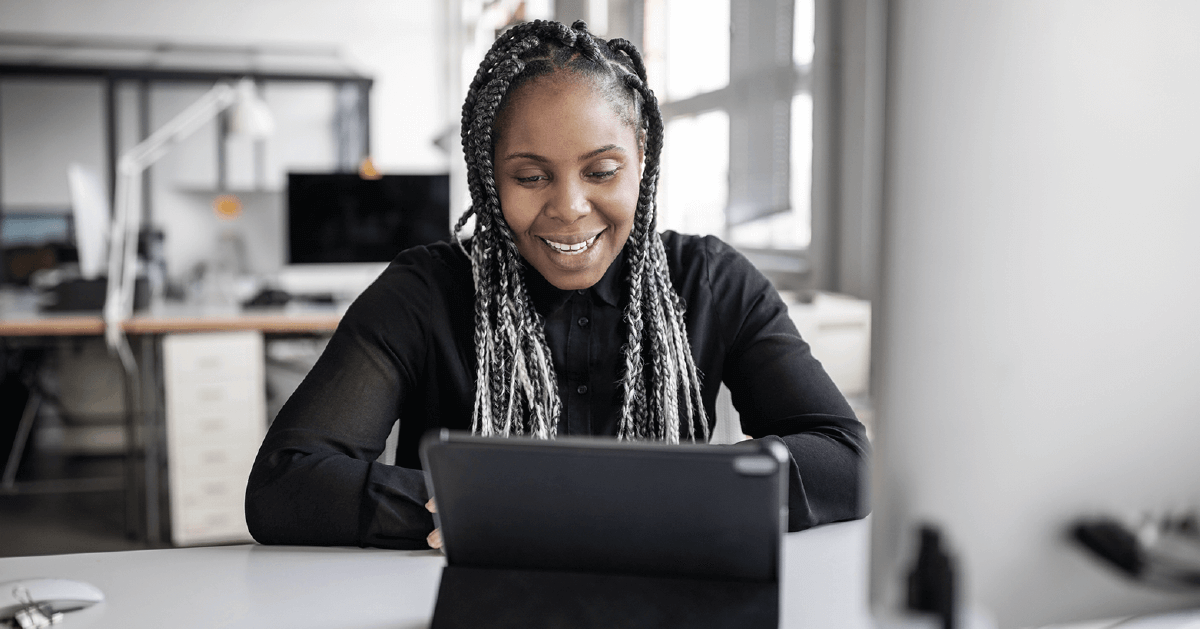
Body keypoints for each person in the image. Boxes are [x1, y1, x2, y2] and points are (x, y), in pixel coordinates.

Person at [245, 19, 869, 551]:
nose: (570, 207)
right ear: (489, 177)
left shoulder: (712, 283)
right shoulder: (422, 294)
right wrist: (474, 506)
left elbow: (847, 460)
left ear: (642, 158)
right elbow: (284, 484)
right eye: (531, 176)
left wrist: (669, 493)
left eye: (601, 170)